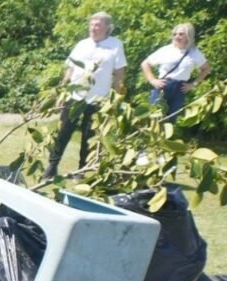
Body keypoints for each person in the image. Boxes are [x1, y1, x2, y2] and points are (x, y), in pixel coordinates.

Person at [43, 12, 126, 180]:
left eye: (97, 25)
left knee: (89, 135)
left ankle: (82, 170)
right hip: (75, 95)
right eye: (92, 24)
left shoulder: (115, 45)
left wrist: (117, 98)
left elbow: (119, 73)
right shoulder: (82, 44)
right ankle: (52, 167)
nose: (93, 28)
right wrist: (62, 91)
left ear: (107, 28)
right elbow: (70, 69)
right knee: (63, 132)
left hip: (99, 98)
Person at [142, 23, 212, 123]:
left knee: (170, 120)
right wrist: (152, 80)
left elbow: (206, 69)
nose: (176, 36)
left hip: (180, 89)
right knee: (154, 119)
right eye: (175, 34)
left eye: (180, 34)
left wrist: (193, 84)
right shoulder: (166, 50)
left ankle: (164, 138)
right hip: (164, 86)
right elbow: (145, 63)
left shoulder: (194, 52)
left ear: (188, 36)